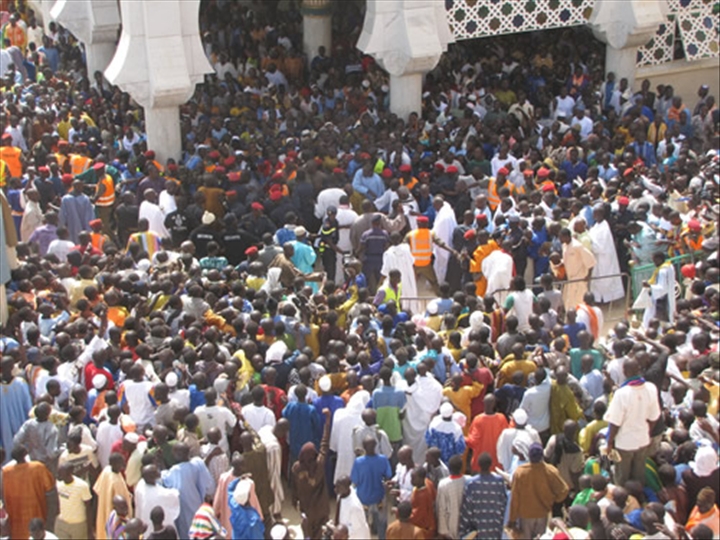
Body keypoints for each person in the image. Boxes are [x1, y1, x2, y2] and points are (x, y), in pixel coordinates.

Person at [604, 358, 661, 486]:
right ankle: (638, 497)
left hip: (624, 443)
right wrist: (646, 431)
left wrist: (609, 442)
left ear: (624, 372)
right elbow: (654, 417)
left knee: (622, 477)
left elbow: (614, 423)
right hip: (642, 440)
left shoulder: (621, 394)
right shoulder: (651, 388)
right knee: (639, 474)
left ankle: (624, 499)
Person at [509, 442, 569, 539]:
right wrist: (553, 500)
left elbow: (515, 498)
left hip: (525, 516)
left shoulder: (520, 472)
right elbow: (564, 490)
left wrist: (512, 519)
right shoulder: (550, 471)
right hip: (543, 514)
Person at [161, 442, 216, 538]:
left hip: (184, 512)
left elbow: (165, 480)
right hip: (198, 505)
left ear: (175, 454)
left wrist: (160, 462)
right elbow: (210, 487)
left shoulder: (175, 471)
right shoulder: (198, 462)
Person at [292, 408, 332, 539]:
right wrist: (327, 421)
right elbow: (324, 443)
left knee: (308, 532)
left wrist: (294, 500)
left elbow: (294, 486)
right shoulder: (319, 464)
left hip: (306, 508)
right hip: (321, 508)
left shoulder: (297, 468)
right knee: (322, 532)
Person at [1, 445, 56, 540]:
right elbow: (50, 488)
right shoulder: (38, 467)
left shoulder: (6, 472)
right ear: (25, 454)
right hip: (36, 515)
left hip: (15, 520)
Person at [457, 452, 507, 539]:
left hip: (477, 531)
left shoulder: (471, 483)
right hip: (494, 529)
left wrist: (463, 531)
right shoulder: (499, 482)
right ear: (491, 464)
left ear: (478, 465)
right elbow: (503, 505)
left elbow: (467, 509)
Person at [351, 436, 392, 539]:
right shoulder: (383, 459)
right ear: (376, 445)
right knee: (382, 525)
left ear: (363, 447)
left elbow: (355, 480)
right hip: (379, 498)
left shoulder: (358, 462)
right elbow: (388, 475)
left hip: (363, 499)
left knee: (362, 525)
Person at [465, 394, 509, 472]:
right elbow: (506, 438)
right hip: (497, 463)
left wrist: (462, 438)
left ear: (483, 403)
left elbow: (473, 442)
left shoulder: (478, 419)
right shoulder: (501, 418)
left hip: (480, 463)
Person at [436, 454, 468, 539]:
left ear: (449, 468)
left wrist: (443, 531)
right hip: (465, 526)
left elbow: (441, 508)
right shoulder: (468, 481)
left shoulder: (443, 484)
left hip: (450, 526)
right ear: (461, 467)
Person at [335, 475, 371, 540]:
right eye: (336, 486)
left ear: (346, 488)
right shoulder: (342, 494)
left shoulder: (354, 507)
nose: (335, 489)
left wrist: (337, 531)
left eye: (338, 487)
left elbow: (353, 528)